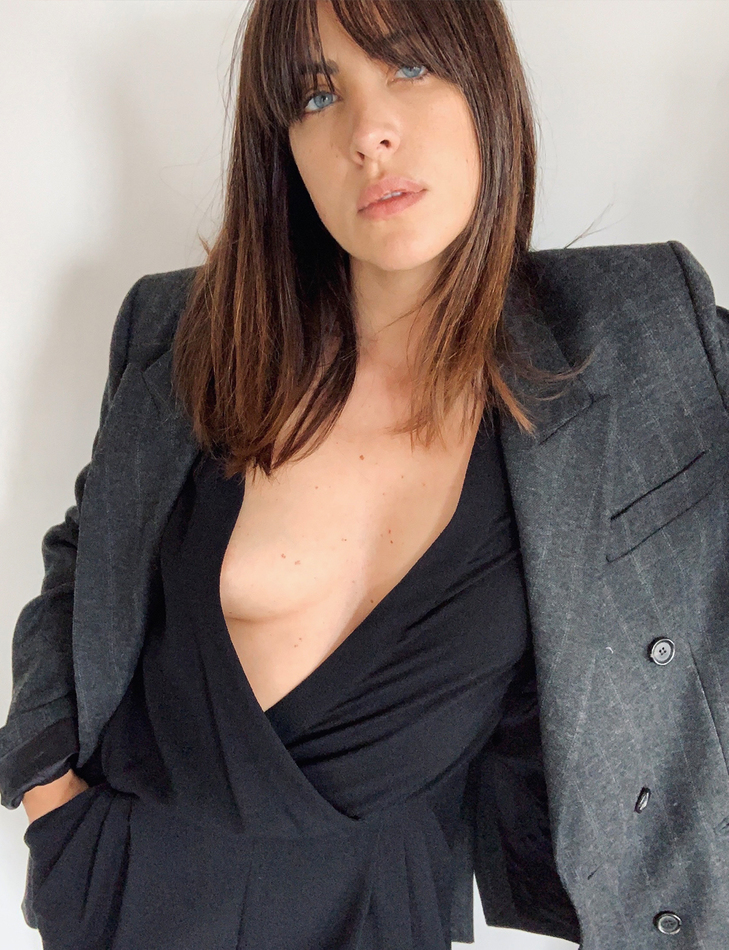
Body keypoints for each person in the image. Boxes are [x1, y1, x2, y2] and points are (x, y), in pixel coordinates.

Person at [1, 1, 727, 948]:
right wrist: (47, 790)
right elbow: (85, 553)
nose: (368, 132)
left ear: (487, 88)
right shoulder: (183, 334)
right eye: (315, 95)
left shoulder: (638, 334)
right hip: (129, 894)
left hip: (383, 911)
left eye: (411, 67)